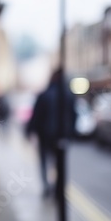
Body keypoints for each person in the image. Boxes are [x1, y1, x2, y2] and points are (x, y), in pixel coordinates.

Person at [26, 68, 76, 197]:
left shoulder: (44, 95)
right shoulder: (69, 95)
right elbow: (74, 116)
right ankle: (58, 189)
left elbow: (36, 116)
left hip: (45, 135)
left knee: (44, 162)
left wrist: (30, 130)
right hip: (62, 136)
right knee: (59, 164)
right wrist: (71, 132)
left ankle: (47, 187)